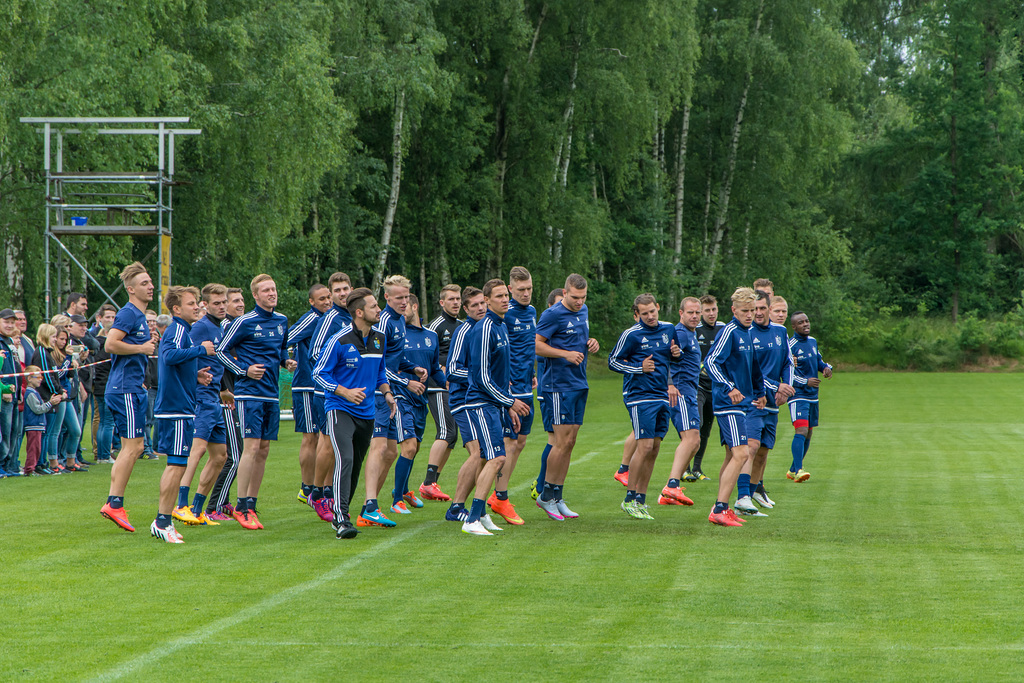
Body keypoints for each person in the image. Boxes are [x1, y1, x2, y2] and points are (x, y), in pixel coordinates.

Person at [313, 288, 396, 539]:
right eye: (373, 306)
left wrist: (388, 392)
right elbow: (319, 374)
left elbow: (380, 371)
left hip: (367, 412)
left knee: (356, 466)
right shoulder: (339, 340)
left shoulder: (380, 338)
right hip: (339, 409)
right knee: (345, 460)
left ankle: (343, 512)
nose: (379, 309)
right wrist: (344, 392)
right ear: (359, 312)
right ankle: (341, 520)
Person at [216, 274, 297, 529]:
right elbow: (221, 351)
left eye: (273, 289)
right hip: (249, 393)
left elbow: (281, 349)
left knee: (263, 449)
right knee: (250, 448)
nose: (272, 293)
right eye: (266, 290)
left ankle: (251, 503)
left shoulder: (282, 320)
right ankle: (240, 506)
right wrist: (244, 371)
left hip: (271, 394)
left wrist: (286, 361)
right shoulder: (244, 322)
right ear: (256, 295)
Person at [459, 279, 530, 536]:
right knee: (498, 457)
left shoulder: (501, 325)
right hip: (480, 401)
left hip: (494, 403)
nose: (505, 299)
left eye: (505, 295)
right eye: (498, 296)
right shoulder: (485, 327)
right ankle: (472, 518)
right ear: (487, 301)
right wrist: (510, 401)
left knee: (491, 458)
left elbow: (500, 376)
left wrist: (507, 406)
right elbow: (480, 377)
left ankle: (482, 514)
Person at [358, 275, 427, 528]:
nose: (403, 301)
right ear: (386, 297)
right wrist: (406, 382)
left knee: (391, 451)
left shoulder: (399, 320)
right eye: (398, 297)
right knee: (379, 449)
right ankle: (370, 505)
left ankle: (370, 506)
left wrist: (413, 368)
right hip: (378, 392)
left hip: (391, 391)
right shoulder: (383, 321)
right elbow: (378, 363)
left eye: (406, 297)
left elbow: (394, 358)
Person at [150, 286, 217, 543]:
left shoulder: (183, 331)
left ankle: (163, 520)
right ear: (176, 309)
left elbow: (175, 362)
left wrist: (195, 376)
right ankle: (162, 521)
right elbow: (169, 356)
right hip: (175, 409)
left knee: (177, 465)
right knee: (176, 466)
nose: (197, 307)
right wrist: (202, 350)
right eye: (192, 303)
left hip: (180, 407)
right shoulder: (177, 329)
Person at [607, 294, 680, 520]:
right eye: (644, 313)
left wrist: (677, 355)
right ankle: (629, 499)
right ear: (636, 314)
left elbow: (671, 357)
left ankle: (641, 499)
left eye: (652, 311)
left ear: (658, 308)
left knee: (655, 447)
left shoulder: (669, 329)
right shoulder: (631, 334)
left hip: (661, 394)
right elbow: (613, 361)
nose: (650, 316)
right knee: (645, 445)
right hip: (639, 395)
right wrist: (639, 368)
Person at [533, 274, 599, 520]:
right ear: (565, 291)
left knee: (570, 443)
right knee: (560, 443)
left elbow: (579, 339)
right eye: (574, 297)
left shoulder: (583, 310)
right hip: (558, 385)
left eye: (583, 297)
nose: (579, 302)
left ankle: (558, 497)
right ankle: (546, 496)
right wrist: (565, 354)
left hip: (579, 383)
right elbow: (537, 346)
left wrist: (591, 343)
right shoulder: (552, 314)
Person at [101, 262, 158, 532]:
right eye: (145, 283)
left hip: (131, 387)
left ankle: (114, 502)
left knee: (129, 448)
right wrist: (142, 348)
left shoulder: (137, 315)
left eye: (151, 282)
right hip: (124, 389)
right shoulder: (128, 314)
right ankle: (114, 504)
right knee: (134, 448)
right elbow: (110, 344)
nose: (151, 286)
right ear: (130, 289)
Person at [704, 287, 766, 527]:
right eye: (745, 311)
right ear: (733, 310)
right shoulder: (729, 331)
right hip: (728, 402)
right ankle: (719, 509)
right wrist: (730, 387)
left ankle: (723, 506)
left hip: (744, 402)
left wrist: (760, 394)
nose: (750, 315)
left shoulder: (748, 332)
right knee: (742, 453)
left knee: (732, 455)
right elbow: (710, 361)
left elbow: (753, 367)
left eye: (752, 310)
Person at [176, 284, 231, 525]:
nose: (221, 307)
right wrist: (198, 374)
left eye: (223, 302)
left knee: (220, 456)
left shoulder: (219, 328)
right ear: (204, 305)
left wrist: (222, 390)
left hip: (214, 399)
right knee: (196, 451)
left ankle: (198, 510)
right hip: (200, 398)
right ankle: (180, 505)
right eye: (216, 303)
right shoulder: (200, 328)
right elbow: (183, 355)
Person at [386, 294, 445, 516]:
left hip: (422, 398)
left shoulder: (431, 335)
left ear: (415, 306)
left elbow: (435, 369)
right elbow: (389, 364)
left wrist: (448, 384)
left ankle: (404, 489)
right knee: (408, 447)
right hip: (401, 396)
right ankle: (397, 499)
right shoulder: (397, 334)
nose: (401, 310)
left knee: (415, 448)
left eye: (405, 305)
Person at [742, 291, 795, 514]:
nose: (759, 313)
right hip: (753, 400)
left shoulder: (780, 331)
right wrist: (775, 386)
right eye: (755, 309)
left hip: (774, 402)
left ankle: (753, 493)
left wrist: (787, 389)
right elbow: (747, 371)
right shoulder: (745, 334)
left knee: (763, 451)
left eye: (763, 308)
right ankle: (742, 496)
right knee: (751, 447)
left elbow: (788, 362)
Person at [306, 272, 354, 518]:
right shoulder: (330, 317)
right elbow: (314, 354)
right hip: (326, 393)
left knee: (338, 446)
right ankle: (317, 494)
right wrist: (337, 378)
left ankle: (327, 492)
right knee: (326, 444)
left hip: (346, 394)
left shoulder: (354, 316)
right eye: (337, 291)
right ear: (332, 294)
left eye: (345, 288)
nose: (342, 293)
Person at [442, 287, 488, 524]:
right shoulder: (464, 331)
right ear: (467, 309)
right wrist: (480, 377)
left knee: (484, 455)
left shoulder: (489, 328)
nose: (480, 308)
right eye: (475, 305)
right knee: (478, 452)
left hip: (483, 401)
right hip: (464, 400)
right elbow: (452, 370)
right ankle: (457, 507)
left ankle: (476, 508)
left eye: (483, 303)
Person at [287, 283, 330, 512]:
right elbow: (286, 338)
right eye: (321, 299)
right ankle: (306, 488)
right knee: (311, 437)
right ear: (312, 302)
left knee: (324, 437)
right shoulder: (311, 319)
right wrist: (287, 358)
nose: (326, 301)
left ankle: (321, 487)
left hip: (323, 387)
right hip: (305, 386)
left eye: (328, 297)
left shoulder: (332, 319)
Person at [205, 287, 246, 518]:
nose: (240, 304)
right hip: (225, 399)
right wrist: (222, 389)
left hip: (232, 396)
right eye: (235, 301)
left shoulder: (233, 328)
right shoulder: (226, 329)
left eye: (242, 300)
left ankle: (224, 501)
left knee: (231, 454)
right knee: (234, 455)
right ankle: (214, 506)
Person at [420, 284, 463, 501]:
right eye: (451, 299)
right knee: (446, 431)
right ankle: (428, 482)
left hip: (455, 387)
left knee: (452, 436)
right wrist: (441, 366)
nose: (456, 302)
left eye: (458, 299)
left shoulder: (463, 326)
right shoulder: (435, 326)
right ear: (442, 303)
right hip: (437, 386)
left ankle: (432, 482)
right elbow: (425, 352)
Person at [659, 297, 703, 507]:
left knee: (695, 442)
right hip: (680, 392)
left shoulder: (691, 334)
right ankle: (672, 485)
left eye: (697, 313)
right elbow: (663, 357)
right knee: (691, 439)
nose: (694, 316)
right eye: (690, 313)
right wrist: (669, 384)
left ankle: (667, 493)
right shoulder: (681, 333)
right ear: (681, 313)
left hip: (689, 392)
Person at [787, 311, 833, 482]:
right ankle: (799, 470)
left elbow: (819, 362)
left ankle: (793, 468)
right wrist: (805, 381)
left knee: (809, 433)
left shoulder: (812, 341)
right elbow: (788, 373)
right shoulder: (790, 345)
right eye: (801, 322)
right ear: (793, 326)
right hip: (798, 395)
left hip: (813, 395)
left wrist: (827, 368)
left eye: (807, 321)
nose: (805, 324)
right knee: (801, 430)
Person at [33, 324, 82, 474]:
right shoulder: (42, 352)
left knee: (67, 431)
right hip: (52, 397)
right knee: (51, 432)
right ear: (46, 336)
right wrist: (59, 392)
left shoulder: (47, 352)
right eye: (54, 336)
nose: (56, 340)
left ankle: (53, 462)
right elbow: (48, 376)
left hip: (59, 396)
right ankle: (49, 463)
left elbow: (59, 375)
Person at [530, 287, 565, 500]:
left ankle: (545, 484)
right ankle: (542, 485)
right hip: (548, 390)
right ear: (550, 306)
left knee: (559, 440)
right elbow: (538, 352)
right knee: (554, 439)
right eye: (560, 304)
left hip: (563, 389)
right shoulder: (545, 328)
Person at [687, 294, 726, 482]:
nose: (711, 313)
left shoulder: (723, 328)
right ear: (701, 311)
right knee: (696, 425)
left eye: (714, 310)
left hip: (716, 386)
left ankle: (697, 468)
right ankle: (685, 467)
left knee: (707, 429)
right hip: (698, 386)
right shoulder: (695, 329)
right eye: (707, 310)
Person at [91, 305, 117, 464]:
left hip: (98, 386)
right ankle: (105, 454)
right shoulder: (108, 347)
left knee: (101, 421)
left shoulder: (95, 345)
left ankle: (101, 454)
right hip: (107, 385)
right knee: (108, 422)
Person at [0, 309, 23, 477]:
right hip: (4, 396)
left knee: (14, 432)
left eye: (12, 322)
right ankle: (1, 464)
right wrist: (3, 390)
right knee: (5, 432)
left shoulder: (9, 342)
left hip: (15, 395)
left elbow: (16, 369)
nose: (10, 325)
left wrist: (19, 390)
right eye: (6, 322)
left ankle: (9, 464)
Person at [23, 366, 59, 475]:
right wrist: (50, 403)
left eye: (41, 376)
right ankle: (29, 470)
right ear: (29, 378)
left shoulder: (34, 392)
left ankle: (32, 468)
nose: (40, 379)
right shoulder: (30, 393)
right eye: (37, 376)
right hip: (33, 425)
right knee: (33, 449)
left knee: (37, 448)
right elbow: (38, 409)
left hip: (38, 425)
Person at [142, 309, 160, 459]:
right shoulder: (141, 341)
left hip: (159, 384)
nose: (152, 324)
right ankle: (146, 449)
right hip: (147, 385)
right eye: (148, 321)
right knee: (147, 419)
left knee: (154, 418)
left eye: (154, 321)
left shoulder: (159, 340)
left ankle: (153, 446)